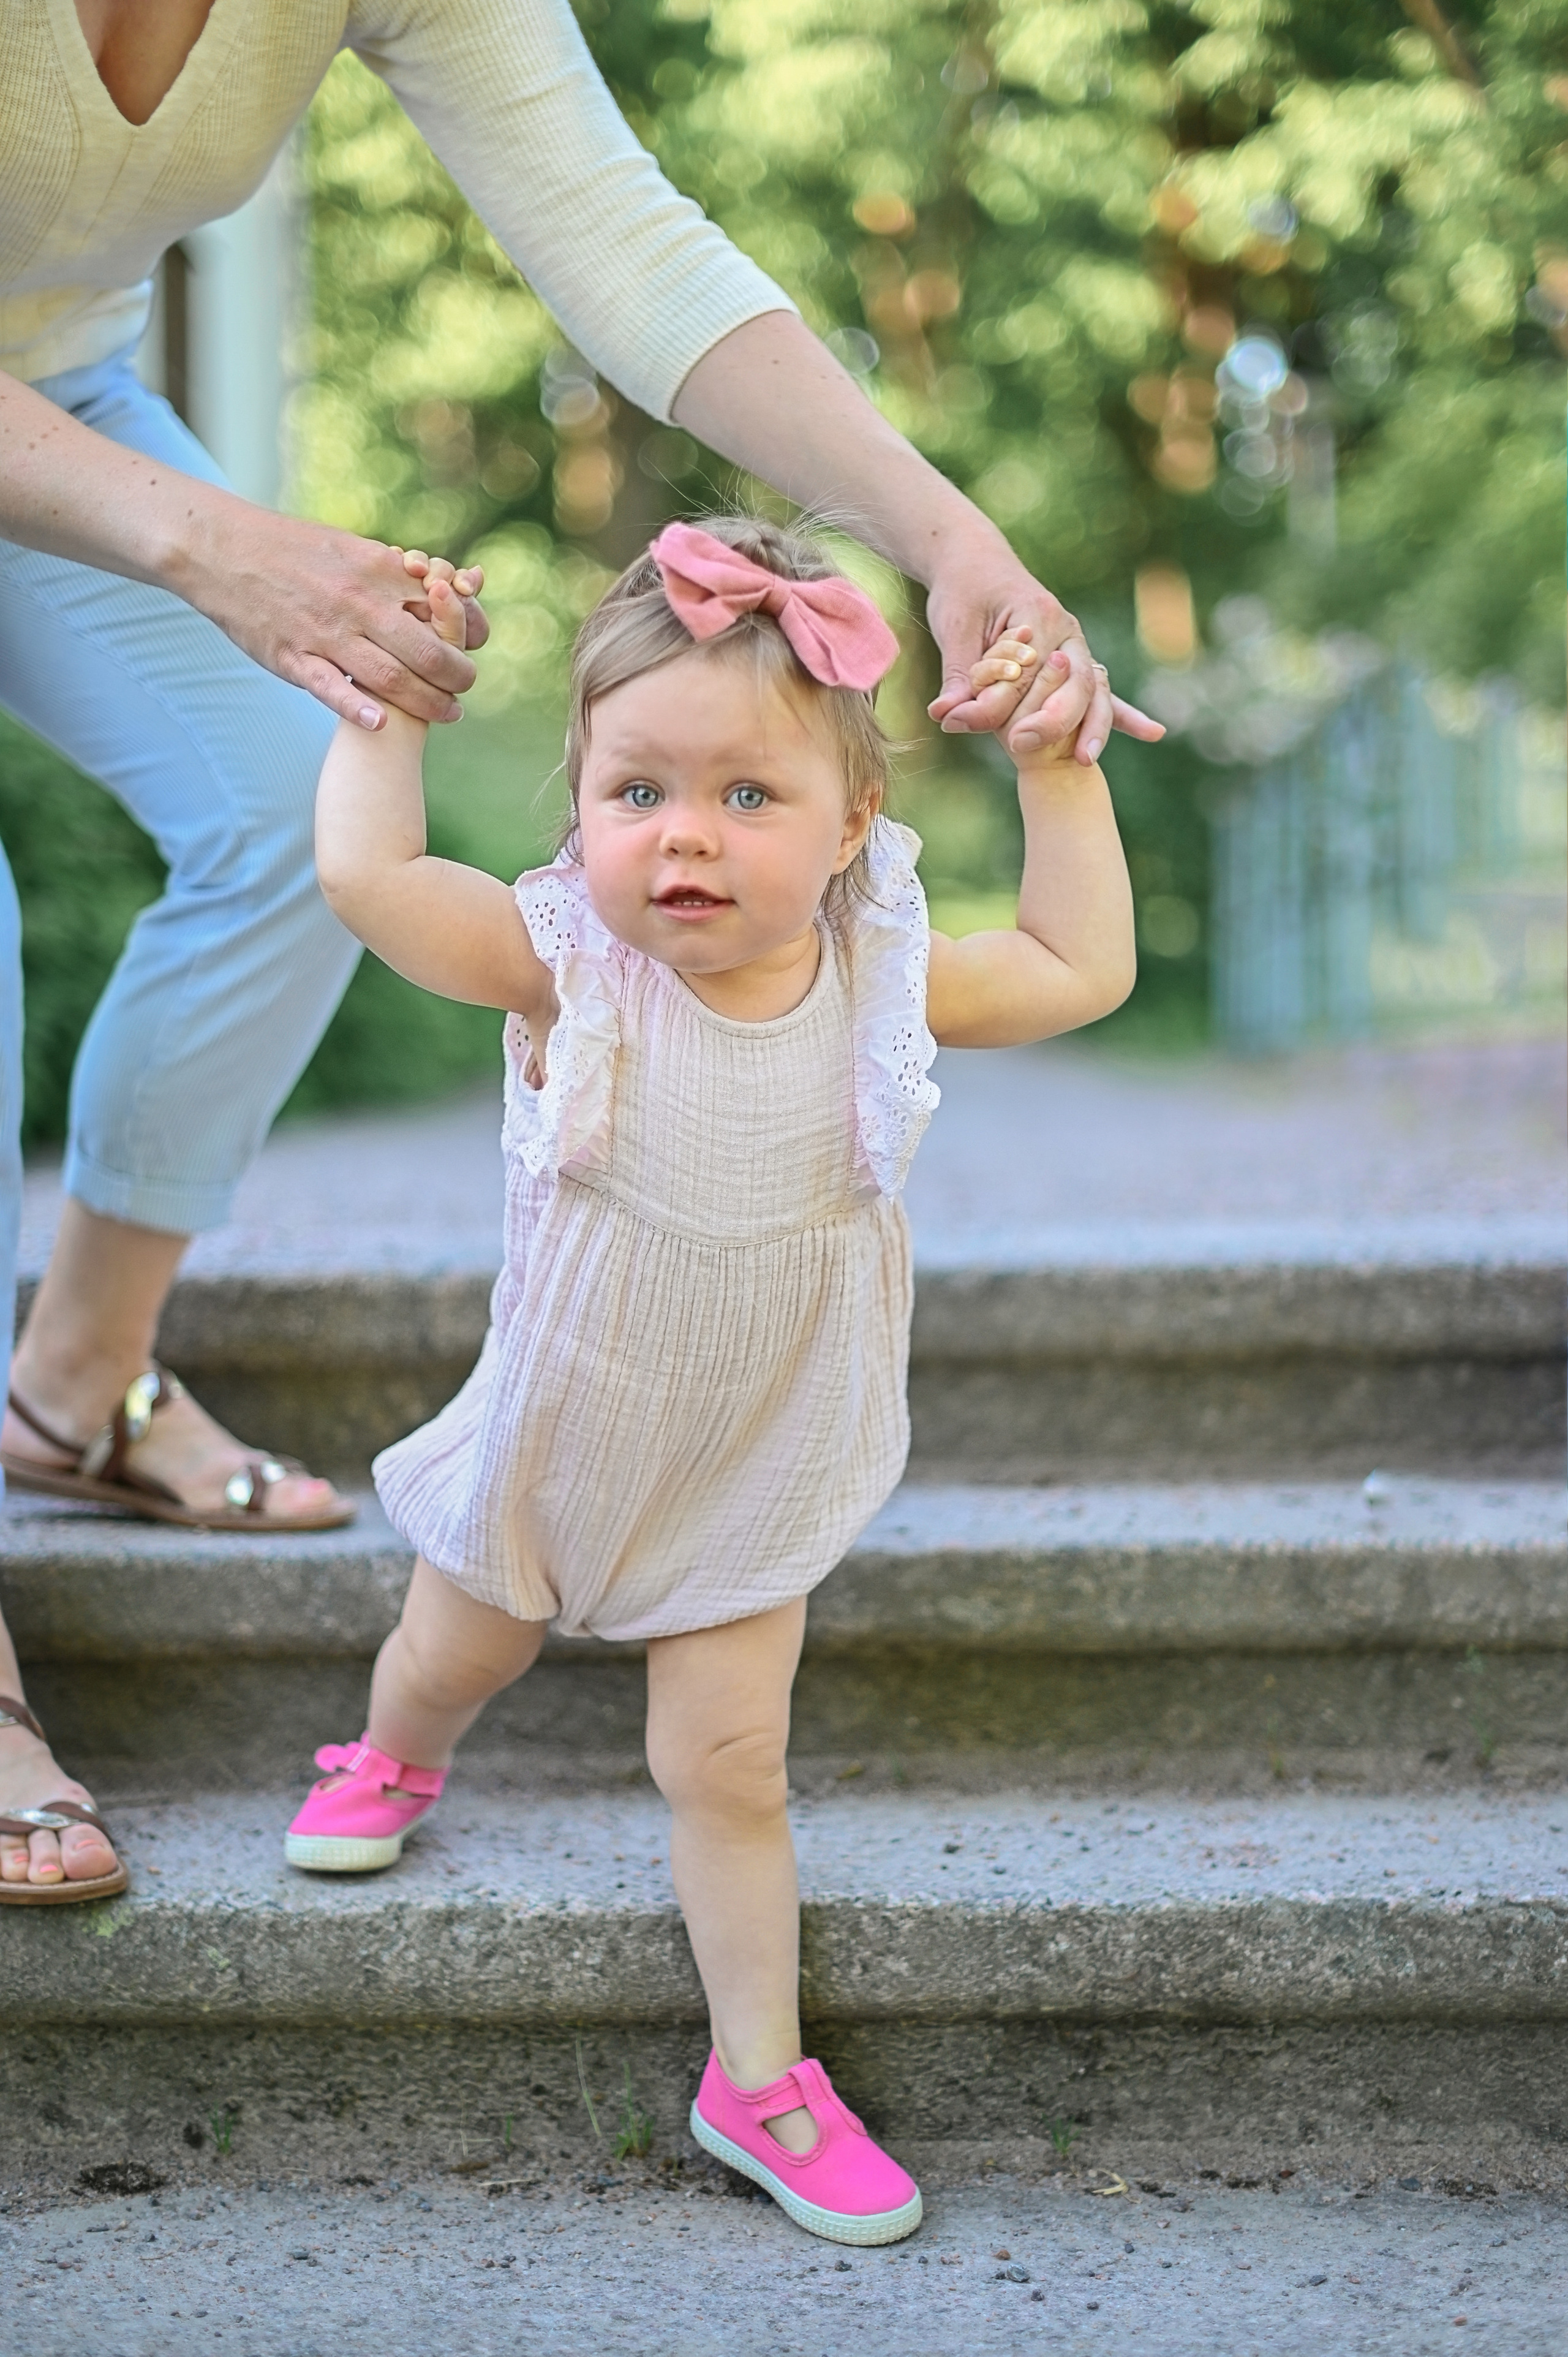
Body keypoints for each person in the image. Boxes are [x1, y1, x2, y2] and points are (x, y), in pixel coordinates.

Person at [0, 1, 1157, 1890]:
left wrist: (946, 536)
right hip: (98, 473)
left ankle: (71, 1387)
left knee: (286, 814)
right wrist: (213, 546)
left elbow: (624, 238)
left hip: (64, 401)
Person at [282, 515, 1136, 2243]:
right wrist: (386, 708)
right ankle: (392, 1755)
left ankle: (757, 2078)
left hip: (759, 1450)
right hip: (564, 1429)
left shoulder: (881, 978)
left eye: (749, 796)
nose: (687, 835)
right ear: (583, 808)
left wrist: (1060, 770)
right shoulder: (568, 970)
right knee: (454, 1648)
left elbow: (1080, 966)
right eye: (637, 792)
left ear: (849, 832)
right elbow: (374, 885)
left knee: (732, 1762)